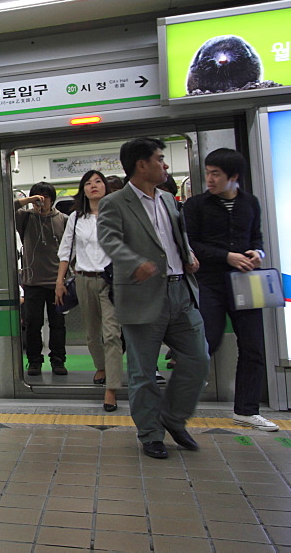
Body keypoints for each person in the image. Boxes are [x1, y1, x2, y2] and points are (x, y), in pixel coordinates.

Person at [97, 138, 208, 460]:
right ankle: (150, 434)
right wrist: (135, 263)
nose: (165, 165)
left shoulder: (170, 200)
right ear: (141, 164)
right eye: (160, 159)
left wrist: (189, 255)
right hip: (141, 294)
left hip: (181, 291)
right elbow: (109, 240)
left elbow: (175, 239)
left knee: (199, 359)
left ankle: (173, 419)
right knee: (143, 372)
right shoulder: (115, 202)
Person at [184, 148, 278, 432]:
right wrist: (226, 256)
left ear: (233, 176)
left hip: (246, 280)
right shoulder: (196, 205)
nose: (209, 179)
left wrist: (257, 252)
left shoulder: (250, 203)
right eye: (208, 172)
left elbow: (257, 236)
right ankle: (179, 403)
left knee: (252, 346)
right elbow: (191, 244)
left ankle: (247, 411)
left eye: (216, 174)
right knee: (207, 340)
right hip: (211, 282)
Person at [54, 170, 122, 411]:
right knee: (92, 334)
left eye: (98, 182)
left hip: (111, 280)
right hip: (83, 279)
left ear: (106, 187)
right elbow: (66, 251)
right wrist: (60, 281)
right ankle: (101, 366)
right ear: (83, 189)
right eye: (88, 183)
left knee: (112, 333)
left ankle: (111, 389)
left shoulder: (117, 214)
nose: (94, 186)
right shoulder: (75, 218)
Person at [15, 182, 68, 376]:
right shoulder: (25, 217)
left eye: (45, 197)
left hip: (57, 282)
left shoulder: (63, 219)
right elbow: (6, 208)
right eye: (38, 196)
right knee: (32, 324)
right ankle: (34, 361)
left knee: (58, 324)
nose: (42, 200)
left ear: (53, 199)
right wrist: (29, 201)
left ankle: (58, 360)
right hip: (32, 282)